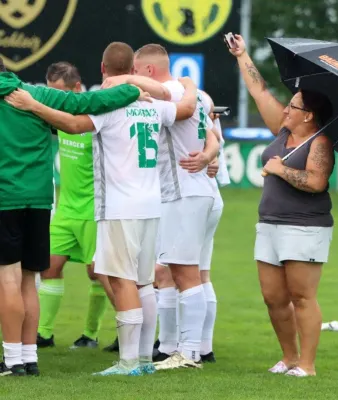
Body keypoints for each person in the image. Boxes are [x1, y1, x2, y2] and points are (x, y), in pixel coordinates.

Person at [5, 41, 198, 376]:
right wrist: (185, 86)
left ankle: (127, 362)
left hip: (117, 203)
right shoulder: (149, 101)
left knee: (118, 281)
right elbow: (184, 109)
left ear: (103, 69)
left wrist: (33, 105)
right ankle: (141, 357)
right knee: (142, 282)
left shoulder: (104, 105)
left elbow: (75, 123)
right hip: (150, 202)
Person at [0, 55, 146, 377]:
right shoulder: (36, 95)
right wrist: (134, 91)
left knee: (7, 279)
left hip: (5, 201)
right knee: (29, 279)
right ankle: (28, 357)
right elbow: (95, 100)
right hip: (40, 201)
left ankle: (11, 360)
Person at [229, 35, 334, 377]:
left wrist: (281, 169)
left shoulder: (321, 142)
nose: (286, 109)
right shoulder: (282, 131)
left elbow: (317, 182)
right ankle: (289, 358)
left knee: (302, 297)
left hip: (304, 226)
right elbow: (260, 92)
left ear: (309, 115)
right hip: (270, 223)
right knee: (274, 298)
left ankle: (307, 364)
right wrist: (242, 55)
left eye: (294, 106)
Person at [132, 43, 220, 370]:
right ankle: (179, 348)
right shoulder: (196, 94)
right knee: (177, 271)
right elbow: (212, 133)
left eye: (138, 72)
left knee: (185, 274)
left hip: (183, 192)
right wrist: (210, 154)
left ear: (149, 71)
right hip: (199, 191)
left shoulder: (169, 92)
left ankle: (189, 352)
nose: (136, 79)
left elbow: (163, 97)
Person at [36, 62, 116, 350]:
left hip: (95, 211)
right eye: (51, 92)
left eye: (61, 92)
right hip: (66, 210)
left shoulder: (97, 120)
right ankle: (43, 334)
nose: (56, 98)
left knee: (98, 273)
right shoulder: (57, 119)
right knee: (48, 268)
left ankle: (91, 335)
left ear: (77, 89)